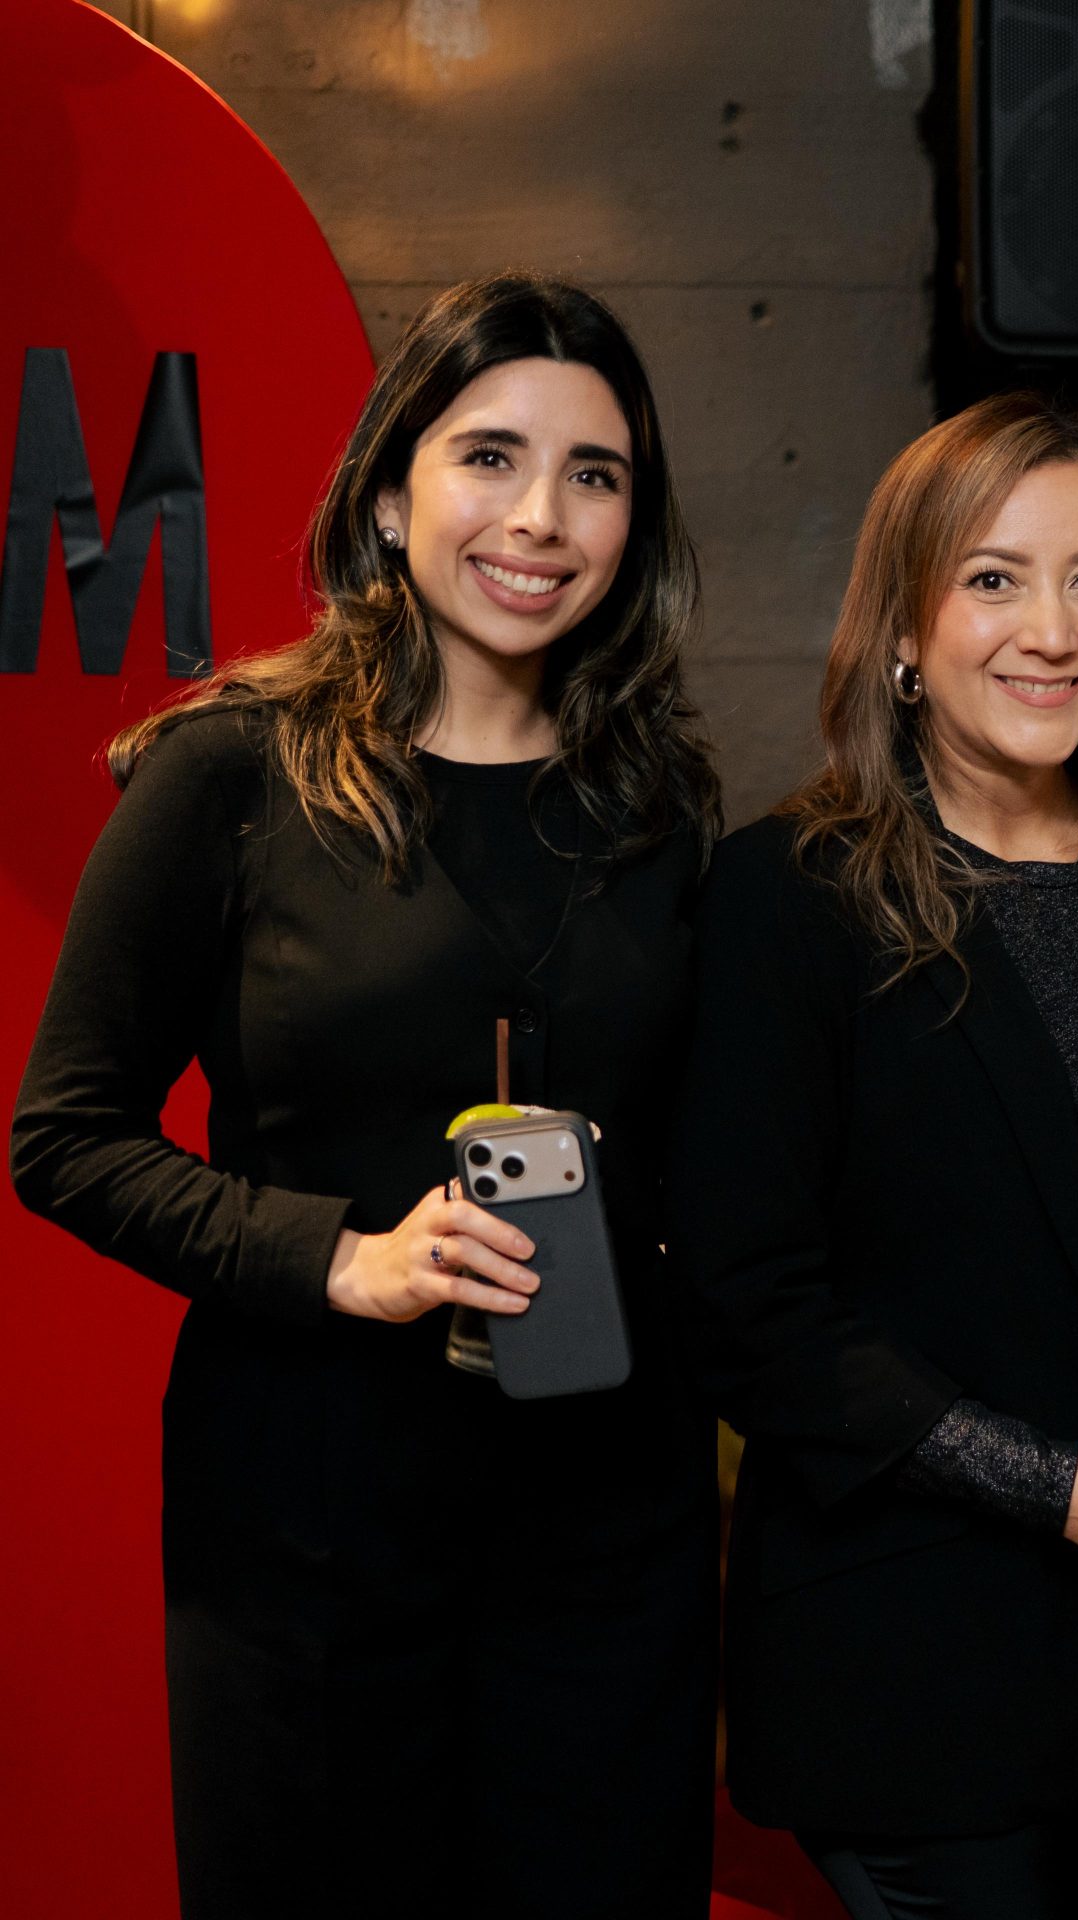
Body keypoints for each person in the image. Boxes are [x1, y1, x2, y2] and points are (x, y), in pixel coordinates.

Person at [11, 274, 723, 1916]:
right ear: (391, 496)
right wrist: (347, 1258)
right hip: (310, 1539)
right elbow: (65, 1137)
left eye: (596, 475)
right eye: (490, 457)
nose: (540, 518)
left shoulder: (658, 802)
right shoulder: (231, 770)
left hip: (607, 1537)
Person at [667, 392, 1078, 1920]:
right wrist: (1055, 1485)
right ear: (902, 625)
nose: (1053, 630)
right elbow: (746, 1306)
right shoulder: (790, 896)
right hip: (921, 1645)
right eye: (994, 578)